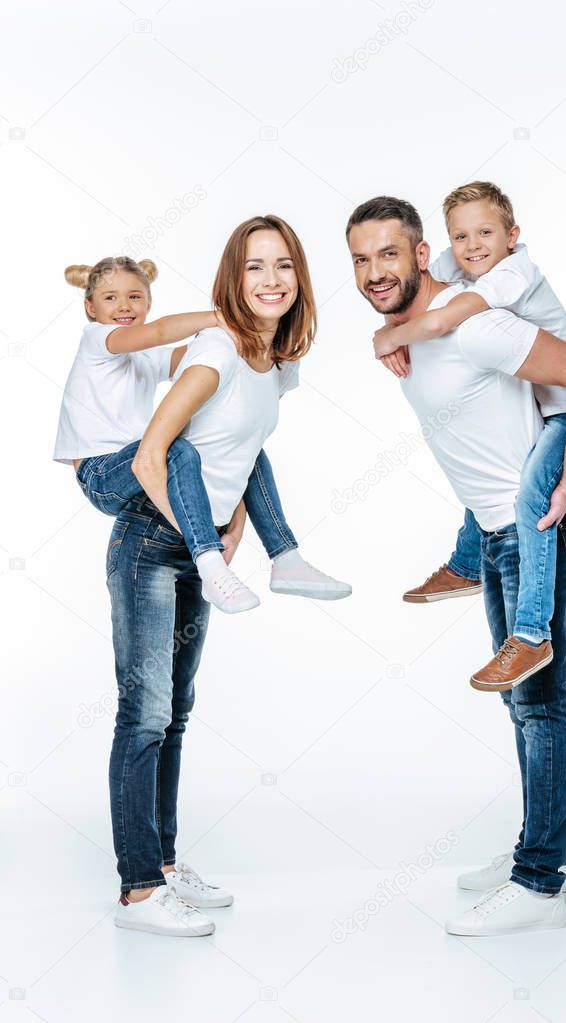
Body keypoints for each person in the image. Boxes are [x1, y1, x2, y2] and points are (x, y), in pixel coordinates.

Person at [347, 196, 566, 936]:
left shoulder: (481, 324)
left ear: (420, 253)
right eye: (361, 260)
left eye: (388, 254)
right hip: (494, 535)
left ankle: (539, 878)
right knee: (520, 704)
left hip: (536, 527)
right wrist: (387, 334)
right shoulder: (411, 326)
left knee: (539, 700)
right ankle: (536, 848)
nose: (374, 272)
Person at [105, 215, 329, 935]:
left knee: (174, 712)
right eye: (254, 266)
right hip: (149, 542)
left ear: (299, 280)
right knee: (143, 714)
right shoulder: (215, 347)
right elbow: (152, 455)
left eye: (283, 265)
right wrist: (202, 537)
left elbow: (236, 451)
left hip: (200, 551)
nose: (270, 280)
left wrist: (235, 525)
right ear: (232, 279)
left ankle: (165, 866)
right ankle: (139, 891)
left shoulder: (274, 361)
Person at [370, 181, 566, 690]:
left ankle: (532, 633)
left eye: (485, 233)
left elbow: (442, 315)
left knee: (529, 496)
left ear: (513, 235)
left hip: (565, 412)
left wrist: (386, 336)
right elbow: (415, 279)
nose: (471, 247)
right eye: (460, 237)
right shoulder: (463, 260)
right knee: (484, 463)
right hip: (535, 402)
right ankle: (468, 564)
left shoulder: (511, 274)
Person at [53, 256, 350, 612]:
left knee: (251, 450)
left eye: (134, 297)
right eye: (109, 298)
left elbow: (197, 356)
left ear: (148, 301)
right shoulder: (98, 339)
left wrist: (247, 338)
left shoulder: (147, 358)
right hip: (100, 474)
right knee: (180, 450)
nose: (123, 306)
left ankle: (285, 556)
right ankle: (209, 560)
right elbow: (161, 330)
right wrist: (221, 317)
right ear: (90, 307)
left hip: (132, 465)